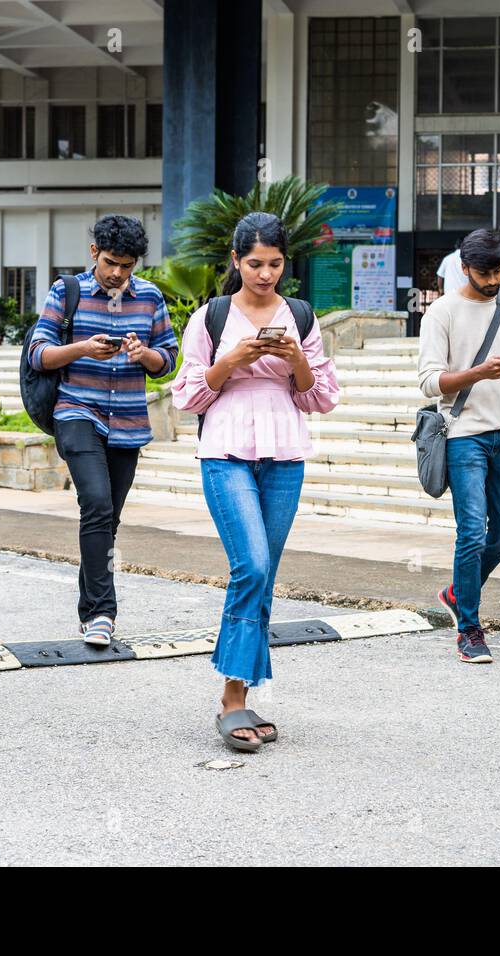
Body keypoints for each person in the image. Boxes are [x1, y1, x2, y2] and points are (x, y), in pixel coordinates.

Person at [171, 212, 339, 752]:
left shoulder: (302, 317)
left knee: (264, 577)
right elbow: (188, 394)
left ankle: (240, 691)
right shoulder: (211, 317)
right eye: (254, 263)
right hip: (225, 452)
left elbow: (319, 396)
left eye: (274, 263)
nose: (265, 274)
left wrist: (295, 360)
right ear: (235, 261)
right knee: (253, 565)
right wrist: (233, 358)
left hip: (285, 452)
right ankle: (230, 698)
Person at [25, 215, 178, 647]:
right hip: (77, 412)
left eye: (127, 266)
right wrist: (82, 348)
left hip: (127, 421)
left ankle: (89, 606)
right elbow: (39, 354)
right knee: (95, 503)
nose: (118, 274)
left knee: (106, 518)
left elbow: (167, 362)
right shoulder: (66, 291)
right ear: (94, 253)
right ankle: (101, 613)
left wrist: (143, 353)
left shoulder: (149, 297)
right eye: (111, 263)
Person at [418, 228, 500, 663]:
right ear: (464, 267)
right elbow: (430, 382)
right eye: (484, 272)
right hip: (463, 435)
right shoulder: (442, 313)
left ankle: (457, 592)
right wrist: (479, 373)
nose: (493, 280)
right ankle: (469, 629)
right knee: (472, 531)